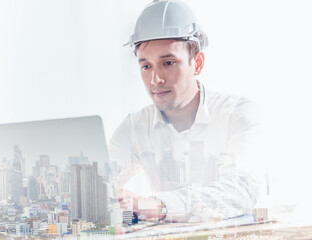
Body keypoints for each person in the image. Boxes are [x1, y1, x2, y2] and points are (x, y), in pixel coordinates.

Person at [109, 0, 260, 223]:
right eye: (146, 66)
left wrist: (157, 206)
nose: (155, 80)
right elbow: (100, 181)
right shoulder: (134, 128)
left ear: (197, 63)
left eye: (168, 63)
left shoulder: (237, 114)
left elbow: (245, 189)